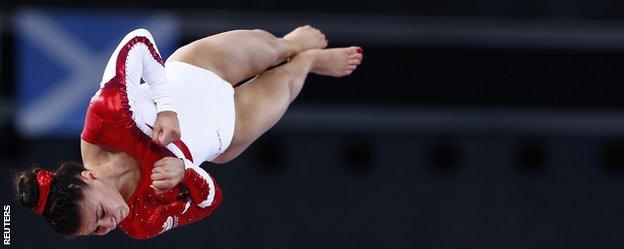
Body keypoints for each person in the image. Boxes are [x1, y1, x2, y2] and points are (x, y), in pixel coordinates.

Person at [13, 26, 363, 239]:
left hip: (199, 67)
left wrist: (166, 107)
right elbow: (210, 201)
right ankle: (310, 62)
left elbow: (138, 42)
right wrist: (187, 172)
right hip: (229, 129)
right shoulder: (139, 222)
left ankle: (289, 46)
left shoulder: (104, 122)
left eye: (99, 215)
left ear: (89, 178)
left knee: (272, 48)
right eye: (97, 231)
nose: (109, 225)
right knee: (288, 80)